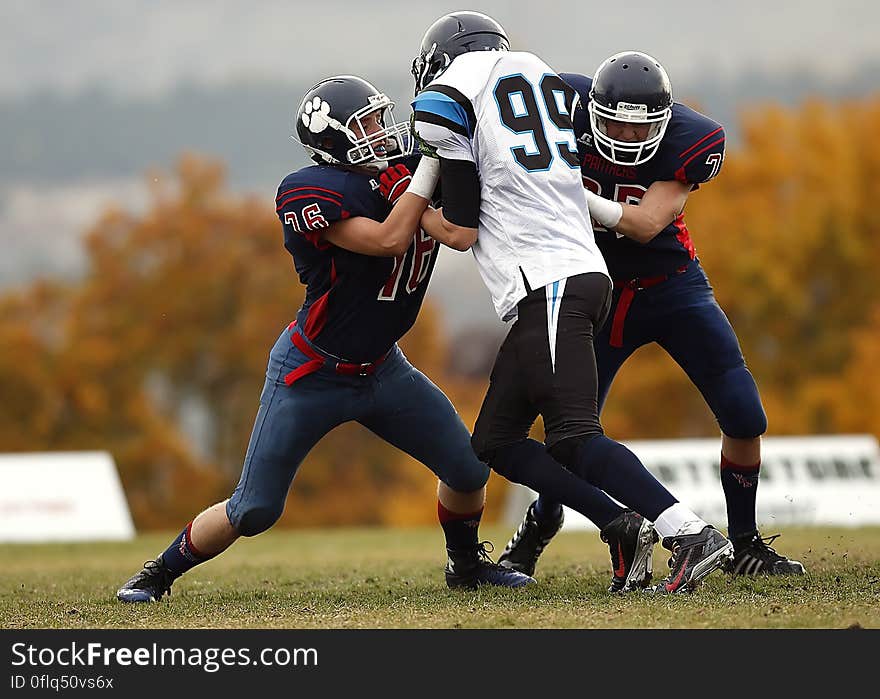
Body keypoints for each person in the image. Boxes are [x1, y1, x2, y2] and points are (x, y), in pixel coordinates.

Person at [116, 74, 535, 603]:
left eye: (383, 119)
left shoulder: (403, 171)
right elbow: (387, 239)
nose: (383, 133)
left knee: (468, 467)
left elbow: (458, 230)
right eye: (367, 126)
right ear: (331, 141)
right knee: (255, 509)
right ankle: (156, 574)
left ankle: (465, 565)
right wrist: (431, 166)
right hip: (312, 372)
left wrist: (458, 147)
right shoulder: (312, 191)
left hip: (384, 368)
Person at [410, 11, 734, 594]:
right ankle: (619, 526)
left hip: (550, 281)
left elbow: (459, 230)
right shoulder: (538, 74)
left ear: (441, 60)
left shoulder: (450, 92)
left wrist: (411, 203)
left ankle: (688, 532)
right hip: (571, 275)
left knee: (574, 436)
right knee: (497, 443)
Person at [498, 51, 805, 579]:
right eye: (614, 120)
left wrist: (565, 191)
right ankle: (539, 524)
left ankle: (745, 542)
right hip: (595, 294)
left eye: (641, 127)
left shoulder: (694, 138)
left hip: (672, 288)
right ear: (591, 109)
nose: (626, 136)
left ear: (666, 120)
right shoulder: (558, 104)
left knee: (744, 414)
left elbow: (643, 224)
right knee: (567, 436)